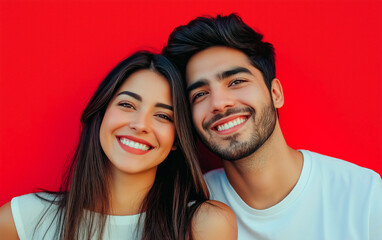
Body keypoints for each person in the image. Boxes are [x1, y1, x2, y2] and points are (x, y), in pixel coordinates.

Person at [163, 14, 382, 239]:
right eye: (200, 94)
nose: (219, 103)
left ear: (275, 94)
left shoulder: (364, 197)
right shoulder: (186, 213)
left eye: (236, 82)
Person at [0, 51, 237, 240]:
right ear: (101, 114)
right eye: (127, 105)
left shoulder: (204, 224)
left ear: (177, 139)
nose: (140, 125)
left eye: (163, 116)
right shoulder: (24, 218)